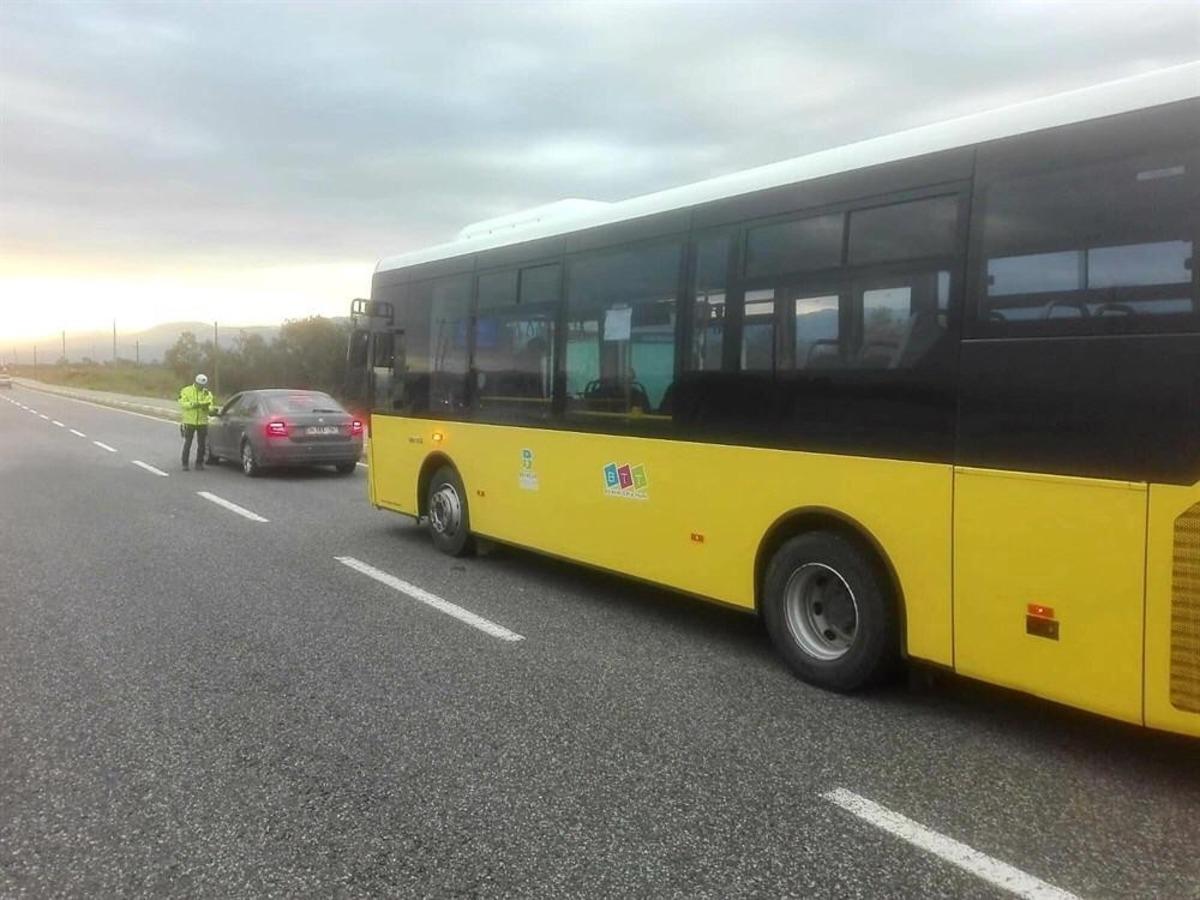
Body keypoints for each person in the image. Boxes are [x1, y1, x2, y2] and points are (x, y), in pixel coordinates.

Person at [178, 373, 217, 471]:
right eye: (200, 385)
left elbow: (210, 404)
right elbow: (182, 403)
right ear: (195, 383)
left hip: (202, 421)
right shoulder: (186, 390)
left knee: (202, 444)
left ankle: (199, 463)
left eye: (203, 385)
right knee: (188, 443)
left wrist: (210, 409)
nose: (201, 387)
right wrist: (193, 404)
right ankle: (185, 463)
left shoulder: (207, 393)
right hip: (189, 421)